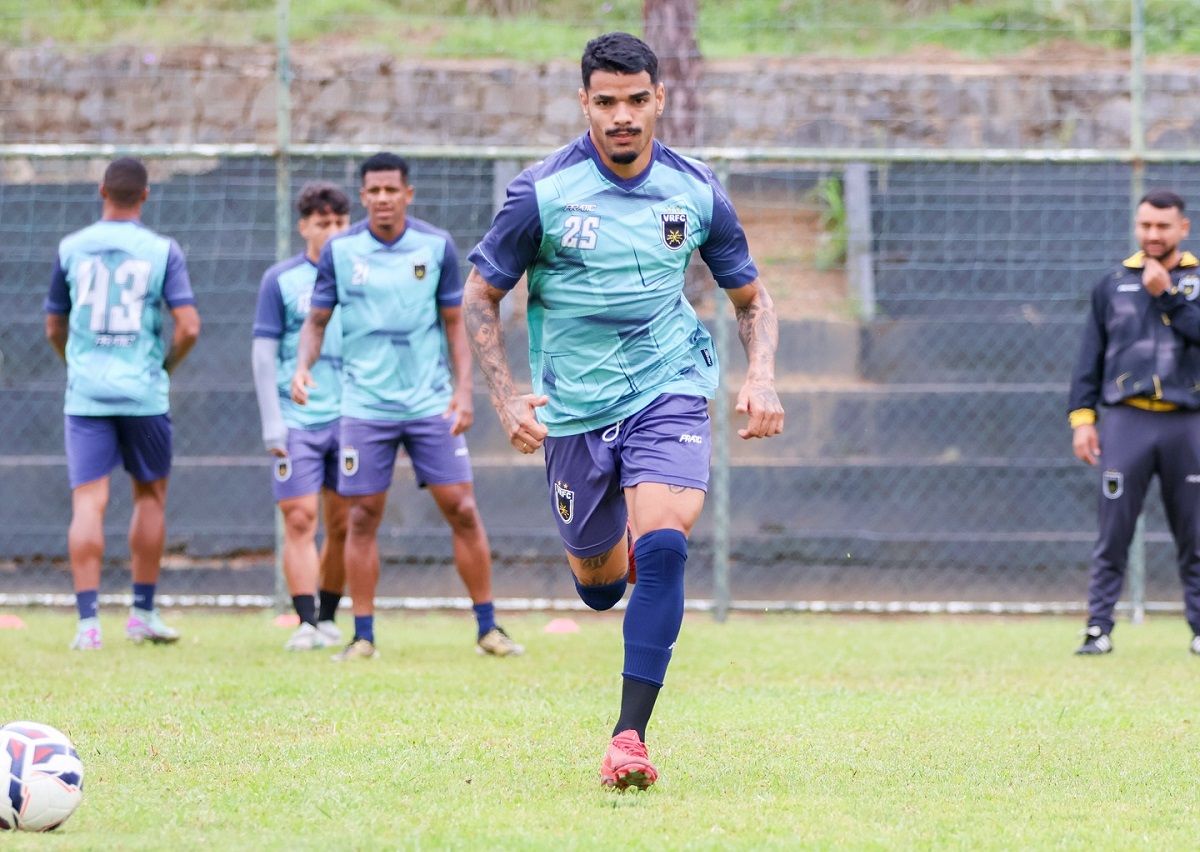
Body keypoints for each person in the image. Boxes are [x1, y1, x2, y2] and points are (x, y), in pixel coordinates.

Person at [462, 31, 784, 790]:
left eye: (637, 100)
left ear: (659, 99)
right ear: (584, 104)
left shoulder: (696, 189)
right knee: (599, 584)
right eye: (606, 102)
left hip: (669, 384)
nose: (622, 117)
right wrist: (506, 395)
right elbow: (481, 294)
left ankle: (628, 737)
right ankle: (623, 556)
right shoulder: (541, 193)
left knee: (667, 542)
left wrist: (761, 373)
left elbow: (751, 297)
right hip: (573, 411)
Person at [292, 151, 523, 661]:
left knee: (461, 508)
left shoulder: (435, 245)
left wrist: (464, 392)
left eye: (390, 190)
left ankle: (489, 628)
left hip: (429, 404)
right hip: (364, 406)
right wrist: (303, 365)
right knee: (361, 517)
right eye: (372, 191)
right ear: (363, 197)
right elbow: (316, 322)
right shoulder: (340, 250)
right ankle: (364, 636)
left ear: (407, 194)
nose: (381, 199)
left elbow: (455, 324)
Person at [44, 156, 202, 650]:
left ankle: (87, 625)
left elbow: (53, 327)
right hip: (143, 393)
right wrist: (162, 367)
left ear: (101, 190)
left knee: (88, 503)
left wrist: (77, 365)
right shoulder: (162, 250)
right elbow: (190, 326)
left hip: (87, 394)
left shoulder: (71, 248)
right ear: (146, 195)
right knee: (149, 497)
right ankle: (142, 613)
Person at [1069, 189, 1200, 656]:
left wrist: (1167, 296)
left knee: (1196, 535)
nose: (1153, 234)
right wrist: (1083, 419)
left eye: (1163, 226)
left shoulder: (1196, 280)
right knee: (1113, 533)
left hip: (1188, 425)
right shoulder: (1111, 284)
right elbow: (1090, 358)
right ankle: (1098, 630)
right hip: (1126, 423)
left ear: (1182, 228)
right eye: (1145, 225)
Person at [252, 182, 352, 651]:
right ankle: (306, 620)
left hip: (352, 417)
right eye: (322, 223)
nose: (331, 232)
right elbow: (263, 354)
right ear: (304, 226)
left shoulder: (360, 274)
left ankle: (330, 615)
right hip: (298, 418)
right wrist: (274, 422)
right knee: (299, 518)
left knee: (343, 523)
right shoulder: (281, 280)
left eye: (338, 222)